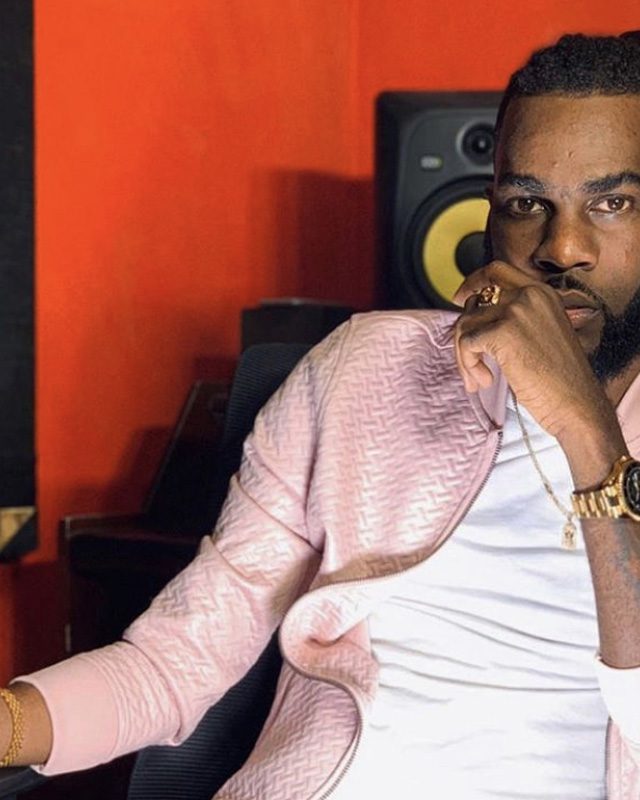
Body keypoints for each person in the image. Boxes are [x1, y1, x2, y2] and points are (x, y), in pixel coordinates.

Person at [3, 30, 640, 800]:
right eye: (526, 203)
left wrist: (584, 429)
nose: (562, 247)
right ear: (489, 218)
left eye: (612, 202)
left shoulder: (601, 432)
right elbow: (175, 663)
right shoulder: (362, 373)